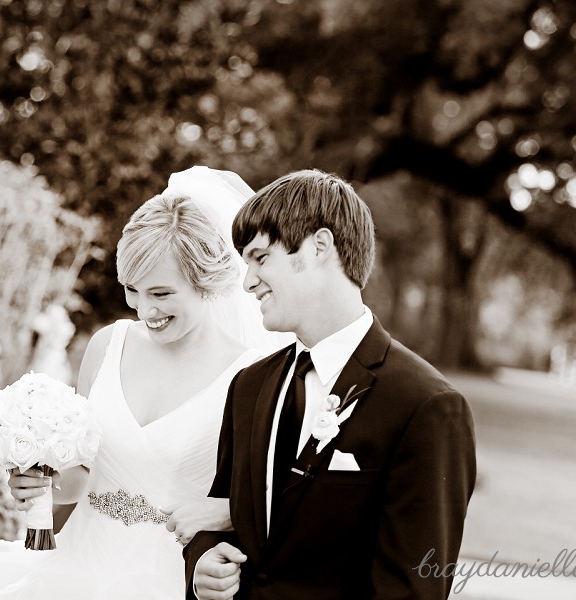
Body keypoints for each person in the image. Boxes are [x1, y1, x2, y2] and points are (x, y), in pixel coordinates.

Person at [0, 167, 291, 600]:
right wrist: (40, 481)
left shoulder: (252, 374)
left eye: (161, 294)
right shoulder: (109, 345)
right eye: (132, 290)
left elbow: (269, 504)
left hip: (170, 577)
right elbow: (80, 476)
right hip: (75, 569)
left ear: (208, 282)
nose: (144, 310)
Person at [186, 169, 477, 599]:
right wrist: (203, 563)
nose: (247, 282)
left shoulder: (426, 406)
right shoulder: (248, 388)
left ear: (320, 246)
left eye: (261, 258)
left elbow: (412, 590)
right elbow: (222, 517)